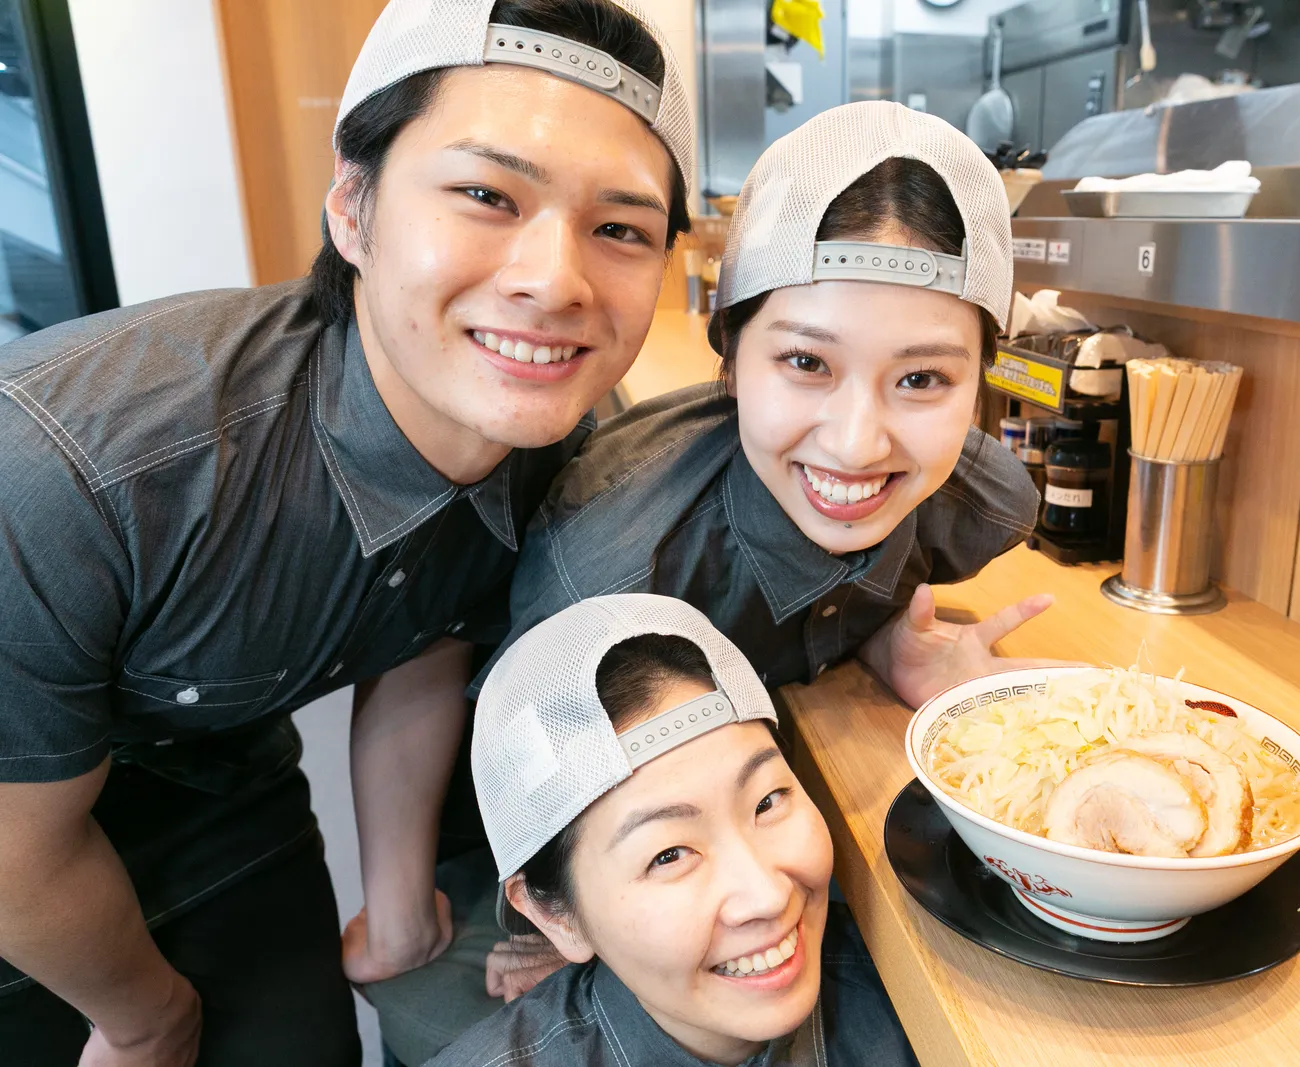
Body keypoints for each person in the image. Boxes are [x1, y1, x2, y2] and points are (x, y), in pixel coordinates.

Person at [0, 1, 694, 1063]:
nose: (554, 281)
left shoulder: (546, 436)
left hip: (221, 776)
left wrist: (399, 895)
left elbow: (423, 631)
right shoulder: (73, 471)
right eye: (484, 194)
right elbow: (17, 848)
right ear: (354, 209)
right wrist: (148, 1019)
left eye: (620, 228)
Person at [367, 99, 1055, 1062]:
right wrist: (566, 926)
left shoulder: (980, 500)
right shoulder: (611, 567)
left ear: (985, 382)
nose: (858, 441)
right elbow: (545, 781)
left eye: (923, 379)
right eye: (806, 361)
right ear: (731, 361)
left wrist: (883, 630)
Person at [426, 593, 920, 1067]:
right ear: (557, 918)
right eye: (669, 855)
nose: (767, 897)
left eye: (766, 802)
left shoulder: (917, 995)